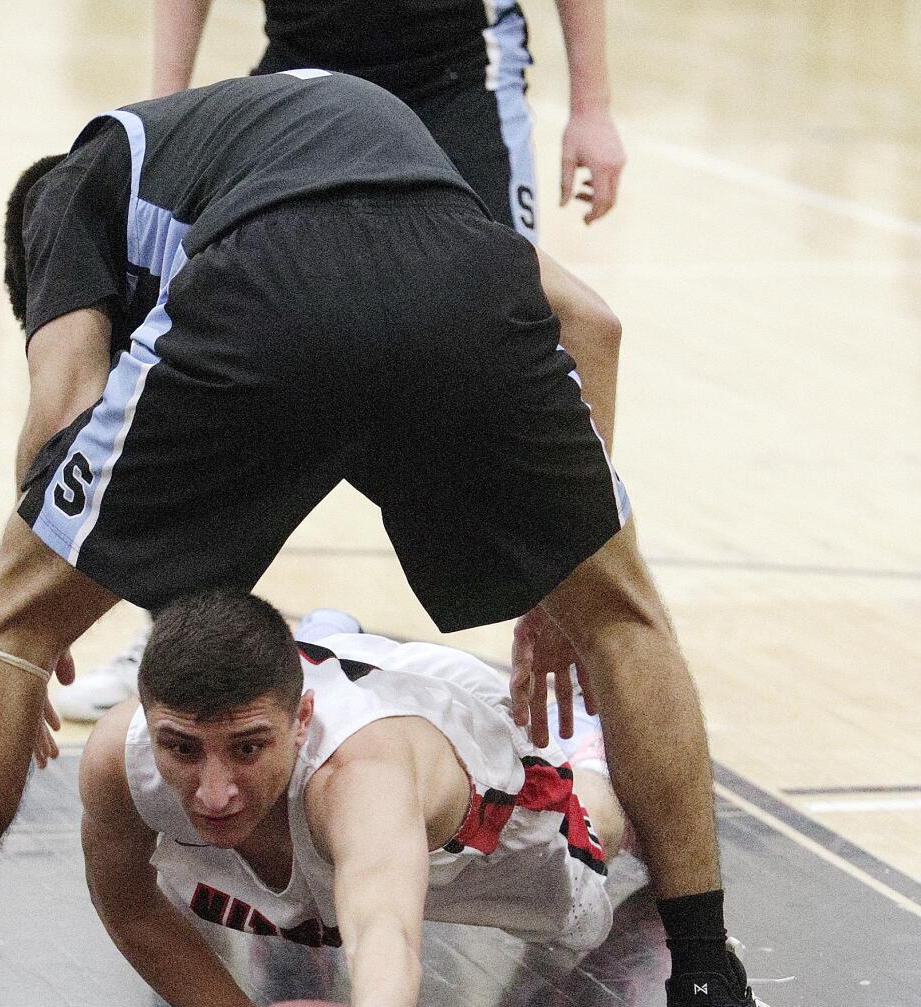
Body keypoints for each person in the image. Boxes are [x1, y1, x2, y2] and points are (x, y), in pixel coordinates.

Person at [0, 70, 802, 1007]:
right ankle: (713, 1006)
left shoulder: (75, 179)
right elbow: (592, 326)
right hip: (451, 285)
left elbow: (66, 395)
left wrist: (44, 593)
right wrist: (558, 583)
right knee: (625, 618)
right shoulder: (352, 146)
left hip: (261, 290)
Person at [57, 0, 627, 721]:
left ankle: (570, 629)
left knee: (522, 340)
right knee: (200, 366)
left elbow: (587, 332)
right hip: (294, 85)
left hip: (457, 89)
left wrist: (593, 107)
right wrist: (166, 109)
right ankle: (169, 632)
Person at [77, 591, 811, 1007]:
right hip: (347, 692)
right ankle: (333, 640)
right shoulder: (120, 757)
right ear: (145, 720)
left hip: (465, 769)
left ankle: (582, 748)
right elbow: (133, 912)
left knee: (590, 866)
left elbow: (385, 935)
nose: (212, 793)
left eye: (245, 749)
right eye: (181, 748)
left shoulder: (360, 781)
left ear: (300, 722)